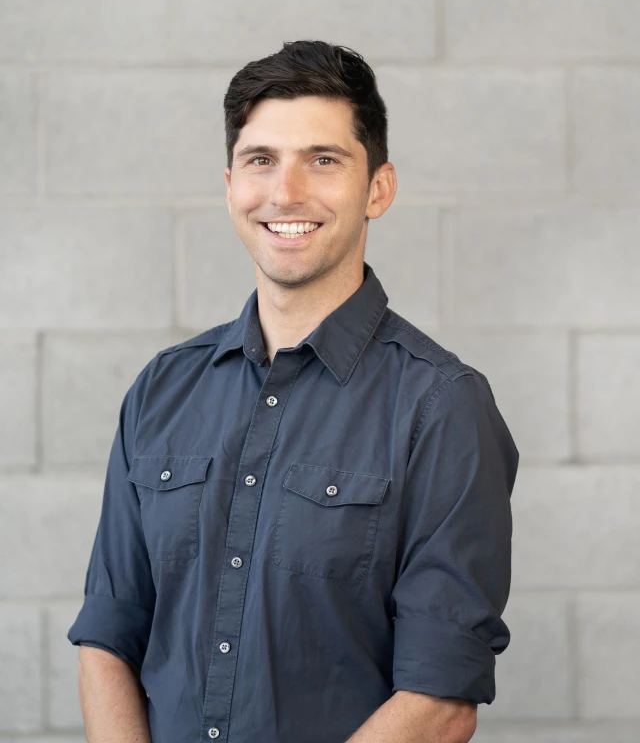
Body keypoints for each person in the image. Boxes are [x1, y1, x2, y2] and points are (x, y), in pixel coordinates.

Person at [68, 39, 519, 743]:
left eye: (323, 160)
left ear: (378, 188)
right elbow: (107, 635)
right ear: (229, 186)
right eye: (261, 160)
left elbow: (440, 702)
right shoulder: (162, 390)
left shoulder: (441, 406)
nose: (286, 193)